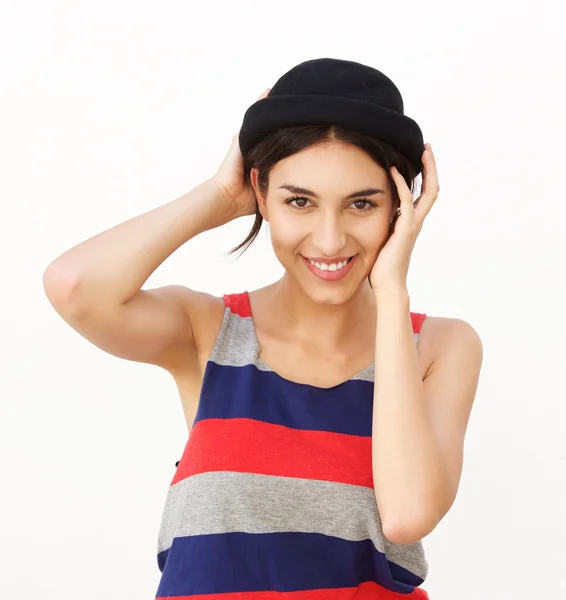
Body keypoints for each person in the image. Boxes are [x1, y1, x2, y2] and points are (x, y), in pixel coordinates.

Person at [43, 58, 483, 599]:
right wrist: (219, 197)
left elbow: (407, 517)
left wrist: (392, 290)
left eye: (362, 204)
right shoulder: (209, 330)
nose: (328, 239)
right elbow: (72, 287)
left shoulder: (439, 347)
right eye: (299, 201)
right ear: (261, 190)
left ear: (401, 207)